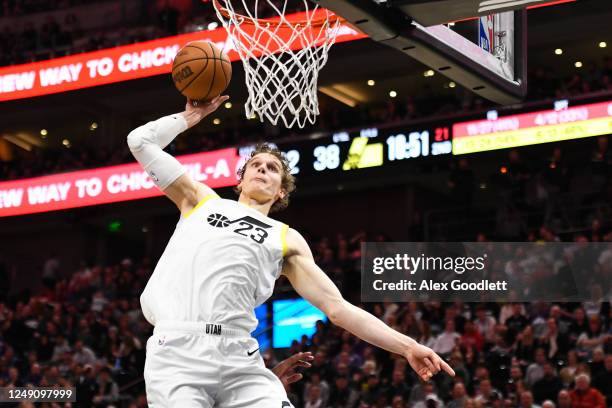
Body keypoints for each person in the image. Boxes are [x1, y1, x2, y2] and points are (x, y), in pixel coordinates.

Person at [127, 97, 455, 407]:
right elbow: (140, 141)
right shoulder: (201, 201)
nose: (262, 170)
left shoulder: (286, 238)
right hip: (179, 348)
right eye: (255, 165)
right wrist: (191, 117)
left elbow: (338, 309)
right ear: (239, 182)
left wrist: (408, 346)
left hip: (240, 355)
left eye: (272, 168)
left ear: (281, 189)